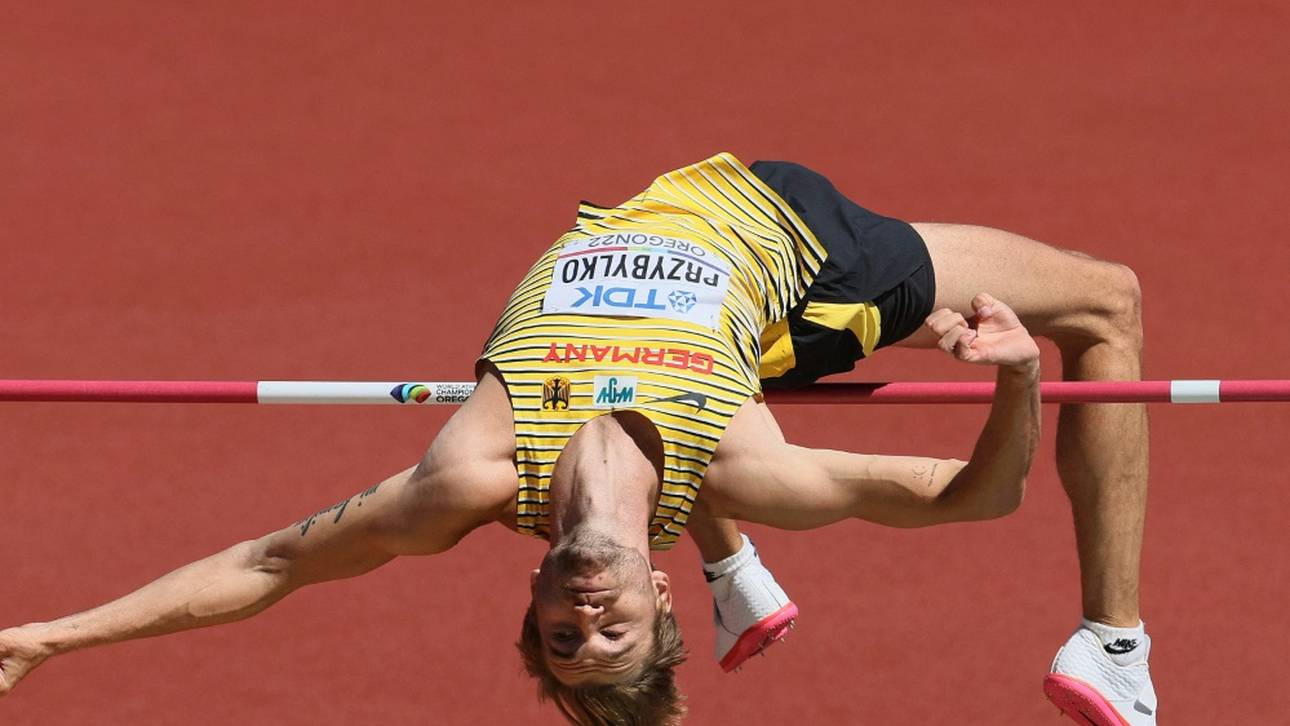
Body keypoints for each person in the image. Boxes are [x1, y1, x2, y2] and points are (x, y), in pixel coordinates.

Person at [0, 153, 1149, 726]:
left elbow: (273, 564)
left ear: (538, 604)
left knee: (628, 458)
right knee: (1106, 301)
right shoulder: (746, 460)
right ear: (654, 590)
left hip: (665, 214)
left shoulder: (472, 473)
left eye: (564, 636)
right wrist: (1015, 378)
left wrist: (55, 635)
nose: (586, 616)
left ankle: (738, 574)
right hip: (798, 248)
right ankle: (1116, 646)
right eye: (614, 630)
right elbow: (973, 500)